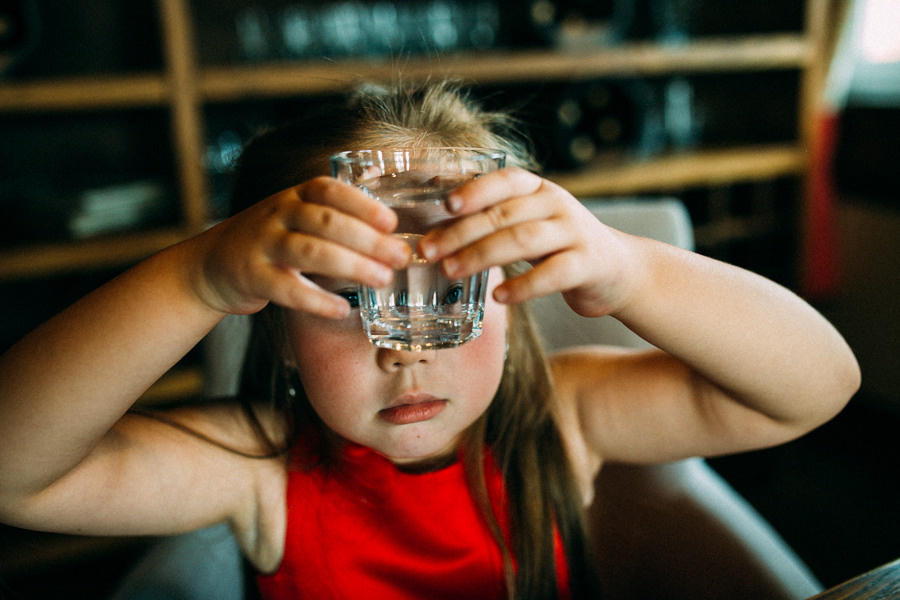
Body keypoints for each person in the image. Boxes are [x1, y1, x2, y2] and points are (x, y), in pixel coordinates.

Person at [0, 81, 859, 600]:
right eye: (349, 296)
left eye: (452, 288)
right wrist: (195, 278)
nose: (406, 349)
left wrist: (628, 270)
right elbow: (15, 475)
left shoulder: (565, 417)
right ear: (283, 336)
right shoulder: (260, 468)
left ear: (514, 296)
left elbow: (819, 385)